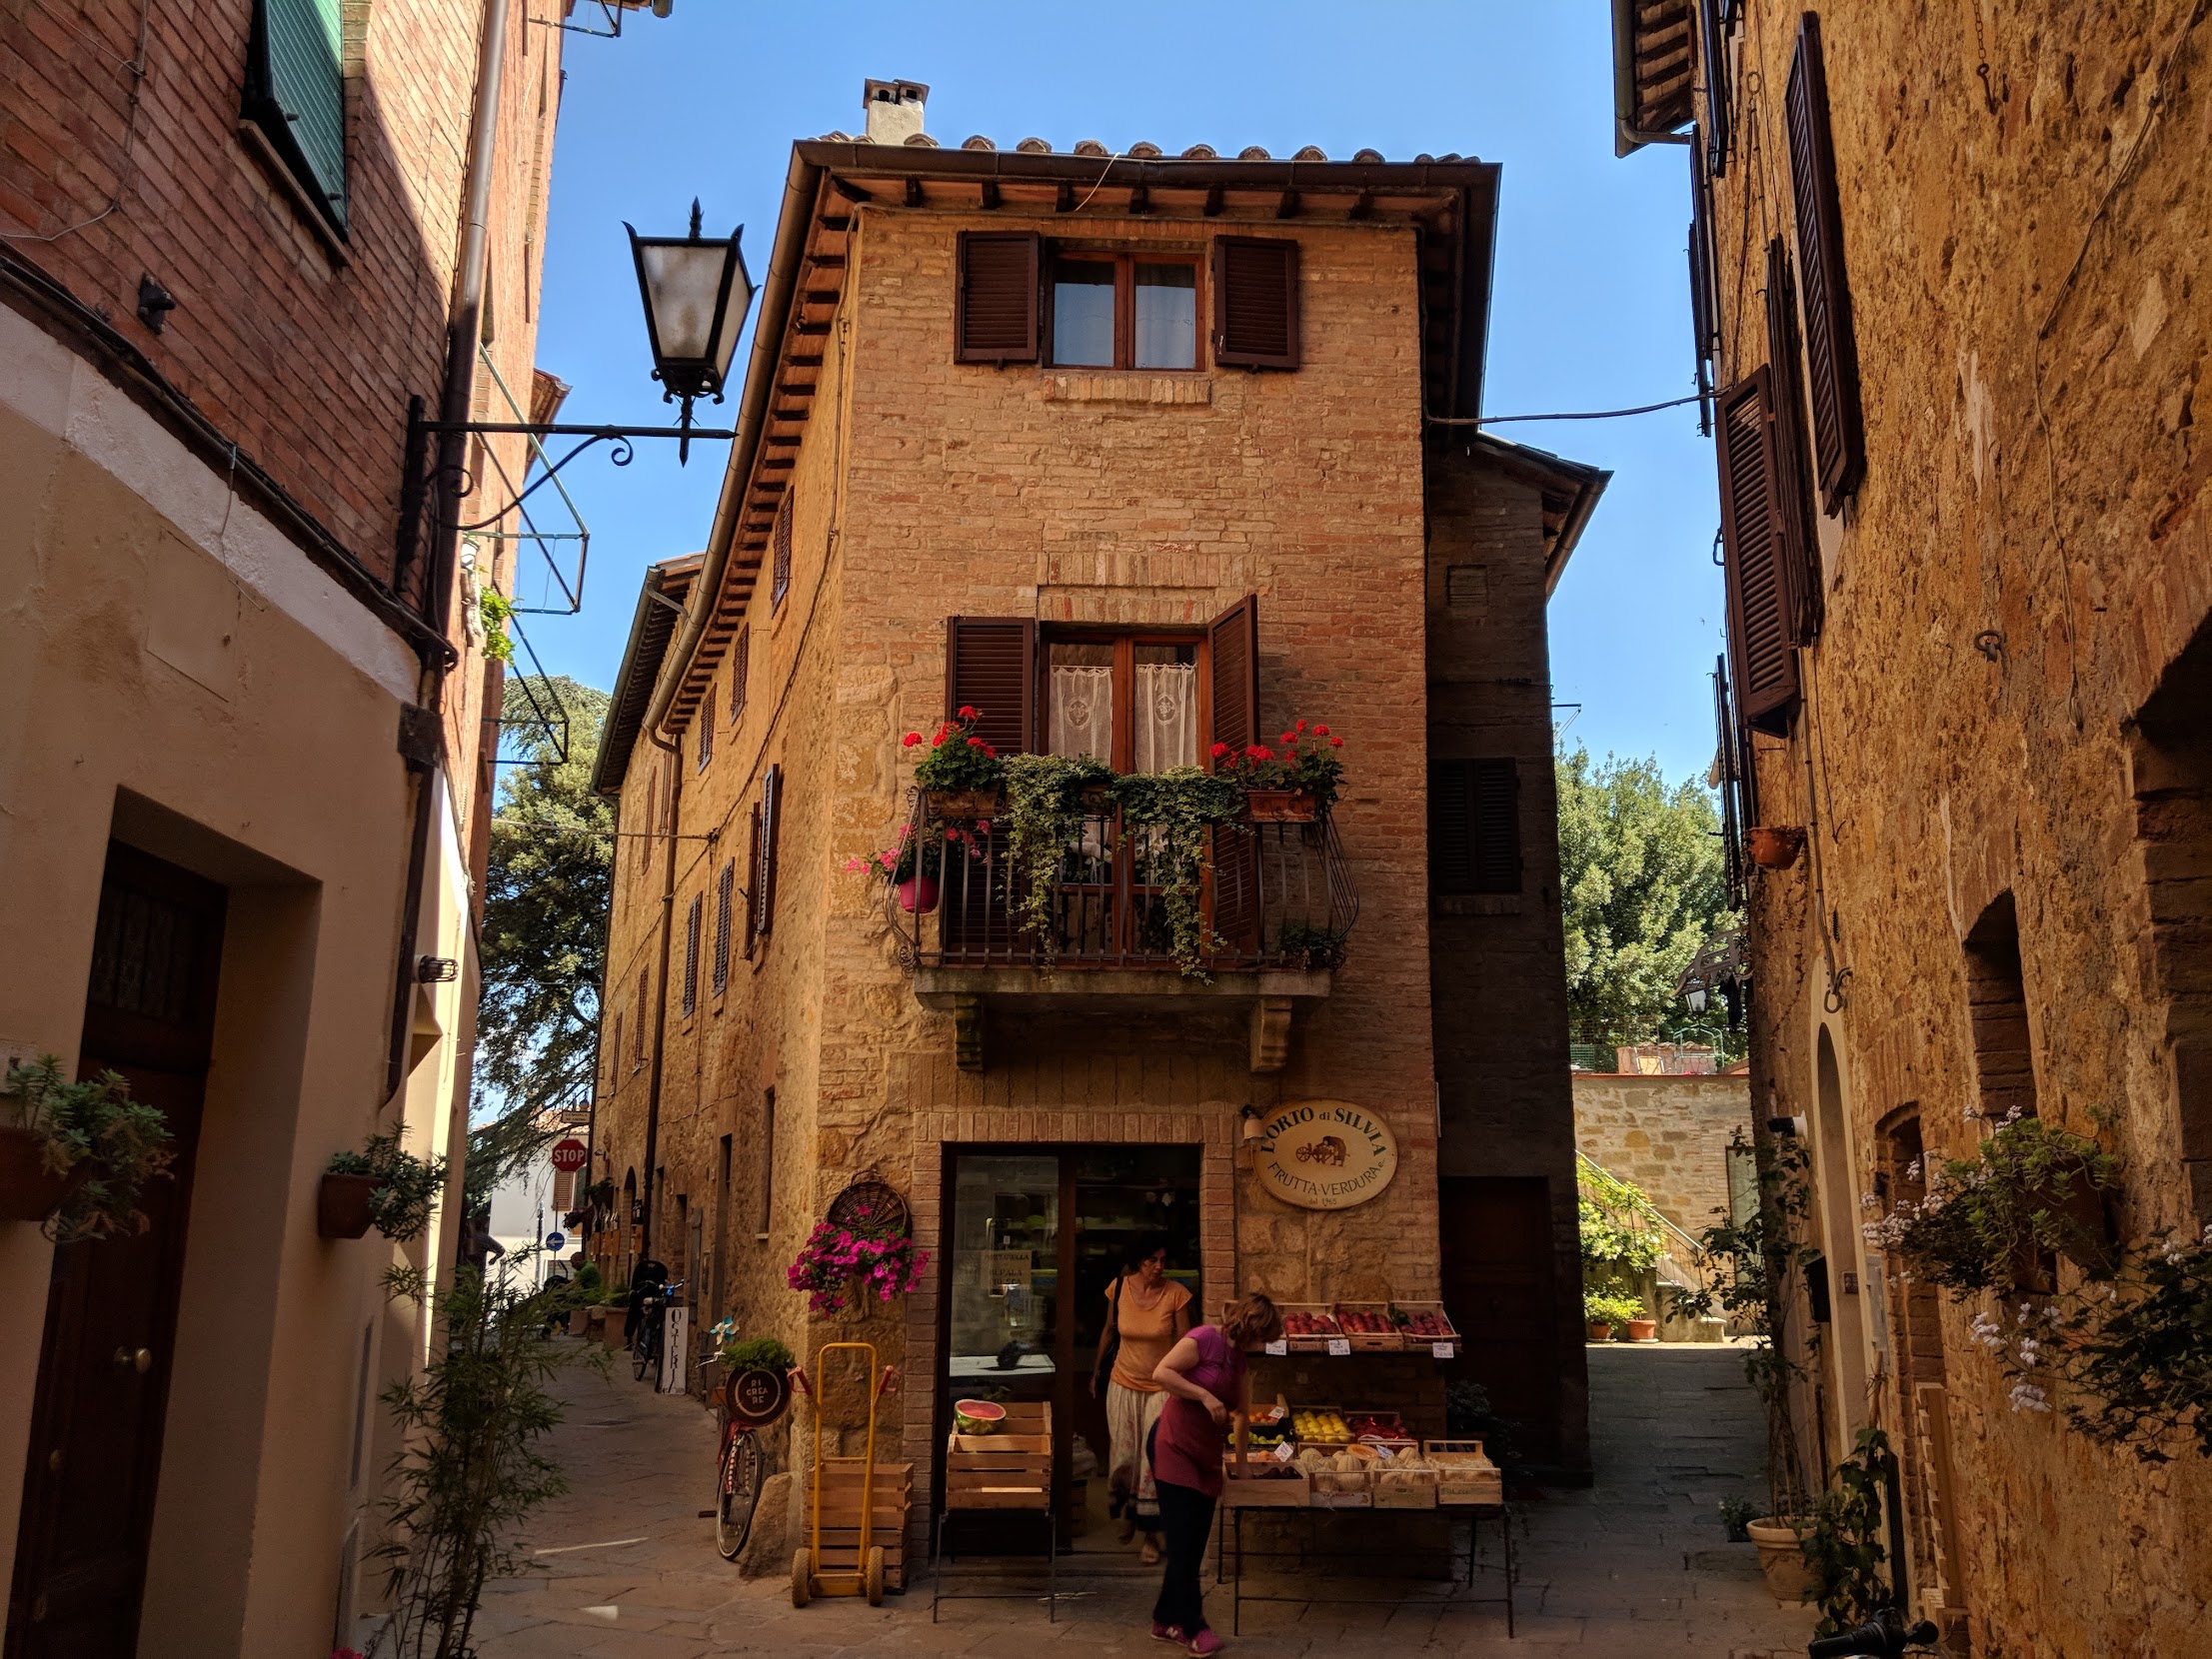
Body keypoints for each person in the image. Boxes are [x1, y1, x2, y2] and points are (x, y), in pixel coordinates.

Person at [1147, 1292, 1284, 1655]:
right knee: (1182, 1545)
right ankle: (1194, 1627)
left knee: (1190, 1547)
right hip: (1174, 1446)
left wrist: (1242, 1470)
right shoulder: (1204, 1338)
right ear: (1252, 1325)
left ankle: (1164, 1620)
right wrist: (1204, 1397)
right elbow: (1161, 1372)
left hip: (1206, 1454)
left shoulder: (1238, 1360)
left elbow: (1241, 1414)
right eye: (1263, 1335)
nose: (1262, 1344)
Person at [1090, 1236, 1190, 1564]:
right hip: (1122, 1384)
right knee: (1123, 1454)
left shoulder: (1176, 1294)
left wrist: (1185, 1387)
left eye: (1162, 1260)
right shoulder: (1117, 1288)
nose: (1159, 1267)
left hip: (1161, 1389)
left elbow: (1186, 1344)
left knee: (1154, 1462)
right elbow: (1108, 1330)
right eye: (1151, 1261)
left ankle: (1151, 1534)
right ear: (1138, 1262)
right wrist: (1095, 1374)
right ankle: (1129, 1516)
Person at [624, 1254, 670, 1351]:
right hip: (647, 1295)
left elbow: (634, 1286)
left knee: (634, 1313)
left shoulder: (641, 1268)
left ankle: (630, 1339)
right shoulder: (659, 1269)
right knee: (635, 1312)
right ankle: (631, 1338)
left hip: (644, 1294)